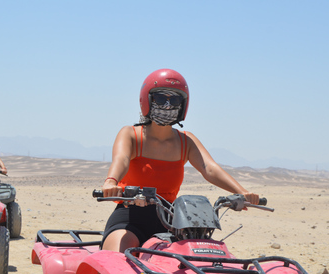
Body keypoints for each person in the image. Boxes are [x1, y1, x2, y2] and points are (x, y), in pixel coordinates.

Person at [101, 69, 260, 252]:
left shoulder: (186, 141)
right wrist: (111, 181)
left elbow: (209, 168)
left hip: (170, 220)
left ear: (183, 105)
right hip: (130, 217)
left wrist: (242, 192)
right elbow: (121, 159)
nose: (168, 106)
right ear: (147, 101)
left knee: (191, 261)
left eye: (174, 100)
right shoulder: (131, 135)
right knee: (120, 256)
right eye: (161, 99)